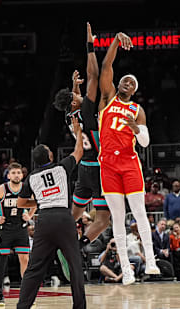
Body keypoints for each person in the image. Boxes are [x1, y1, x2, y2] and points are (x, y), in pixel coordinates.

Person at [97, 31, 160, 285]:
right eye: (125, 80)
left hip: (129, 161)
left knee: (139, 213)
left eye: (132, 83)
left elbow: (144, 142)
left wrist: (135, 127)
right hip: (108, 164)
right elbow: (106, 66)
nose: (127, 84)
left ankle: (152, 261)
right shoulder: (107, 99)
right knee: (118, 218)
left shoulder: (137, 110)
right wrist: (115, 41)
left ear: (135, 91)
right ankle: (127, 269)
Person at [52, 23, 112, 249]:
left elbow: (73, 100)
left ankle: (55, 241)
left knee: (72, 215)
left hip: (83, 170)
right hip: (97, 168)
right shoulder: (85, 110)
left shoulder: (69, 114)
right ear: (74, 99)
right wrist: (90, 46)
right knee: (103, 220)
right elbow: (93, 75)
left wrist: (73, 87)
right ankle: (78, 246)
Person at [15, 116, 85, 309]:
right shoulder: (62, 168)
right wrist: (78, 131)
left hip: (44, 219)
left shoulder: (31, 178)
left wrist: (37, 200)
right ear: (51, 157)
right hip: (63, 217)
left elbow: (21, 203)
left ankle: (23, 306)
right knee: (74, 265)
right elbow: (79, 151)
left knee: (34, 268)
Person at [0, 162, 36, 307]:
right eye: (14, 173)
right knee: (2, 260)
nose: (16, 175)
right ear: (8, 175)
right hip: (5, 229)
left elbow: (36, 202)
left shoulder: (26, 189)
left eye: (19, 172)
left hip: (21, 228)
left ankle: (26, 295)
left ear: (22, 174)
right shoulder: (3, 189)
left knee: (25, 260)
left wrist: (30, 215)